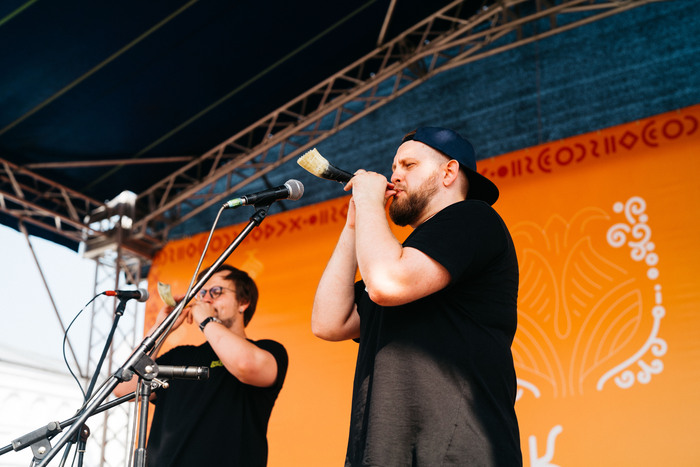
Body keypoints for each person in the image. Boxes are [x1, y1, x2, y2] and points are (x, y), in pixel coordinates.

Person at [311, 127, 522, 466]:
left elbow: (387, 284)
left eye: (408, 165)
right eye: (394, 167)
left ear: (449, 172)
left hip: (457, 451)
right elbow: (329, 322)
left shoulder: (473, 218)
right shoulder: (402, 258)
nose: (395, 176)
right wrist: (354, 224)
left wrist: (370, 203)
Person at [114, 264, 288, 466]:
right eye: (202, 293)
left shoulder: (267, 350)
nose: (206, 299)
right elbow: (123, 387)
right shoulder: (180, 356)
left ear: (243, 302)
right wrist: (161, 328)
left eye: (216, 292)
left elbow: (245, 364)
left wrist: (206, 319)